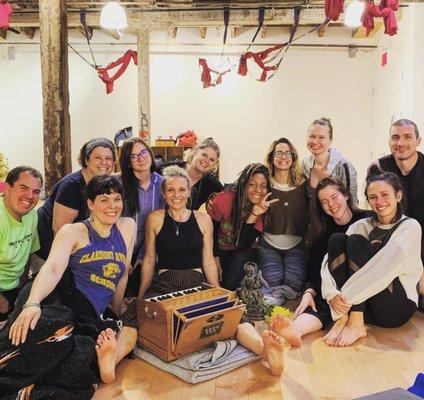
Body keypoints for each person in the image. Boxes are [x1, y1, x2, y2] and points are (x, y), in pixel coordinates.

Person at [137, 166, 285, 376]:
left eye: (181, 190)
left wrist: (218, 292)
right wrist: (142, 295)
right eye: (171, 190)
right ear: (163, 193)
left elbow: (208, 260)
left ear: (189, 192)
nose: (176, 195)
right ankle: (113, 359)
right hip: (165, 282)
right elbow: (150, 259)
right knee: (137, 317)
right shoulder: (155, 218)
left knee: (233, 315)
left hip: (197, 281)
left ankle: (265, 350)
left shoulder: (203, 219)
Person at [7, 175, 137, 387]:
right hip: (62, 299)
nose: (112, 206)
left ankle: (110, 360)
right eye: (104, 200)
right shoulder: (73, 231)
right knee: (41, 336)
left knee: (130, 326)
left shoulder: (127, 226)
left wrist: (115, 312)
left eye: (117, 199)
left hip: (91, 313)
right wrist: (32, 304)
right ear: (90, 204)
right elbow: (52, 269)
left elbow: (121, 275)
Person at [270, 178, 372, 347]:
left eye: (334, 197)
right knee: (321, 301)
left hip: (364, 291)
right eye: (324, 202)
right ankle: (296, 330)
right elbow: (316, 270)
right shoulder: (323, 233)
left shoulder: (367, 219)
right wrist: (310, 292)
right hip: (337, 292)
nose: (331, 204)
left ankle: (345, 319)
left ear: (346, 195)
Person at [372, 119, 424, 308]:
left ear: (418, 140)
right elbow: (377, 212)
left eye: (407, 137)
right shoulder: (379, 168)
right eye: (395, 137)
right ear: (389, 142)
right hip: (393, 242)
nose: (400, 143)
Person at [36, 138, 116, 260]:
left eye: (108, 158)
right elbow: (59, 230)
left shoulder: (100, 183)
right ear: (86, 160)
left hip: (77, 245)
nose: (104, 162)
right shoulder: (71, 186)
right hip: (49, 249)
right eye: (97, 158)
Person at [207, 163, 277, 290]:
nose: (258, 190)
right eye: (252, 185)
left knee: (228, 285)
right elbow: (211, 232)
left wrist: (254, 214)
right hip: (218, 248)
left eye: (263, 186)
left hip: (243, 249)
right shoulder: (224, 200)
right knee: (210, 280)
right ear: (243, 184)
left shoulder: (263, 211)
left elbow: (242, 244)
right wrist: (215, 259)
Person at [258, 138, 309, 305]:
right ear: (271, 157)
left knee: (294, 284)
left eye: (287, 153)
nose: (283, 157)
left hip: (296, 244)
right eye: (278, 153)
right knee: (273, 278)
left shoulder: (303, 183)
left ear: (293, 157)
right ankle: (273, 290)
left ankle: (273, 294)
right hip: (269, 244)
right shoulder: (264, 183)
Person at [118, 137, 165, 296]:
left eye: (144, 152)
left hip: (149, 251)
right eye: (133, 156)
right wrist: (124, 257)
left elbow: (159, 224)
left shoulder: (163, 184)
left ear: (150, 154)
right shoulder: (119, 184)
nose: (141, 158)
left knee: (142, 294)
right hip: (121, 249)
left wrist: (143, 254)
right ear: (128, 161)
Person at [0, 166, 43, 321]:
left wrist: (22, 290)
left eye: (36, 191)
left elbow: (27, 254)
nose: (30, 196)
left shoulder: (31, 215)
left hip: (14, 287)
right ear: (7, 188)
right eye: (23, 188)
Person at [302, 117, 358, 204]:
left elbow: (352, 204)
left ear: (330, 140)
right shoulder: (304, 166)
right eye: (312, 136)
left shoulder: (344, 166)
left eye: (321, 137)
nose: (315, 141)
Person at [157, 138, 223, 210]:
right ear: (195, 152)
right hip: (160, 219)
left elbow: (225, 198)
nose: (207, 160)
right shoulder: (167, 169)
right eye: (204, 155)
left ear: (214, 164)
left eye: (212, 160)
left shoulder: (212, 184)